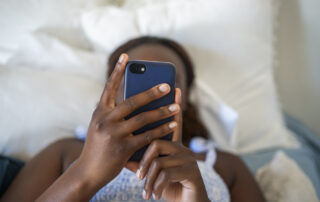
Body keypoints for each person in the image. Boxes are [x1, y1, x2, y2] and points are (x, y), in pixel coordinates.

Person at [0, 36, 265, 202]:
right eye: (134, 82)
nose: (150, 95)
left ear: (185, 100)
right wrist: (84, 176)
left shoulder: (224, 164)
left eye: (165, 85)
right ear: (111, 92)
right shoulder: (66, 151)